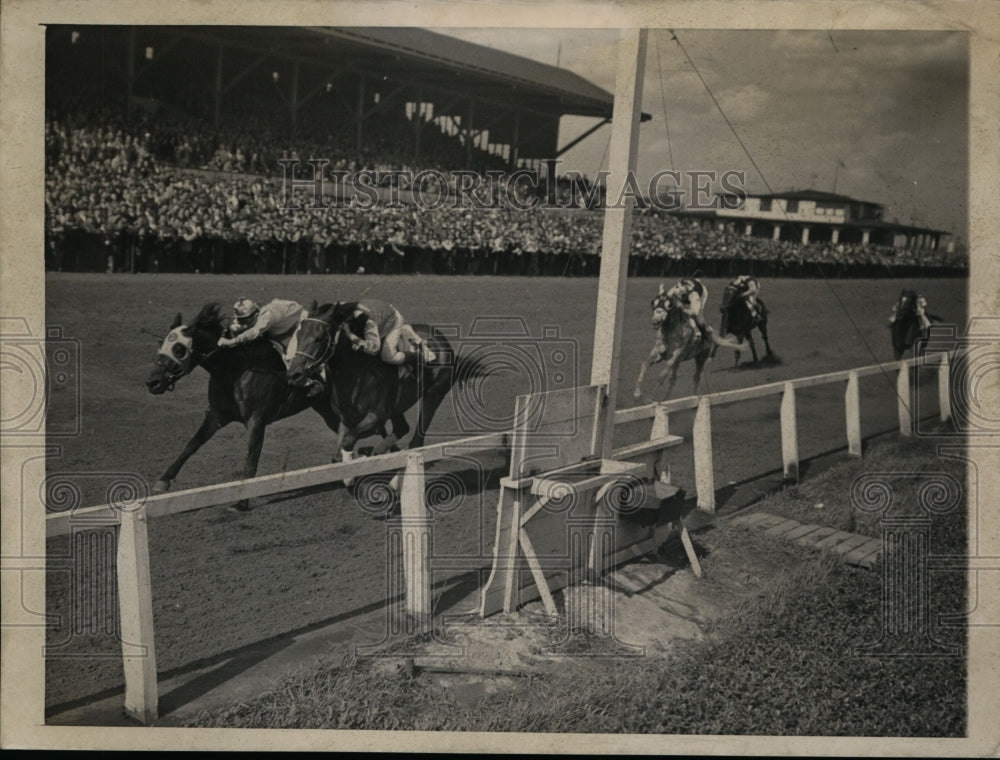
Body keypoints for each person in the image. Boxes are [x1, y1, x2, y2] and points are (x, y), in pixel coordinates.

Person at [217, 297, 324, 396]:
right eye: (240, 319)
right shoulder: (252, 316)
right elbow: (234, 326)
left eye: (245, 320)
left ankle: (312, 383)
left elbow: (254, 331)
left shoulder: (268, 316)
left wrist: (231, 342)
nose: (242, 323)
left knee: (290, 357)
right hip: (279, 328)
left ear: (255, 315)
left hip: (299, 323)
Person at [334, 297, 436, 366]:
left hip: (393, 319)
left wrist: (351, 335)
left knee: (388, 356)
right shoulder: (346, 307)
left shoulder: (368, 324)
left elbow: (374, 349)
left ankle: (416, 357)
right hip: (381, 310)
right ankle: (406, 332)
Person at [665, 278, 713, 343]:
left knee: (698, 317)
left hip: (702, 293)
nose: (680, 296)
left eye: (682, 295)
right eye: (679, 295)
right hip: (688, 290)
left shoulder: (694, 295)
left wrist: (683, 309)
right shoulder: (675, 289)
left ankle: (704, 330)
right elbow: (667, 297)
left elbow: (694, 312)